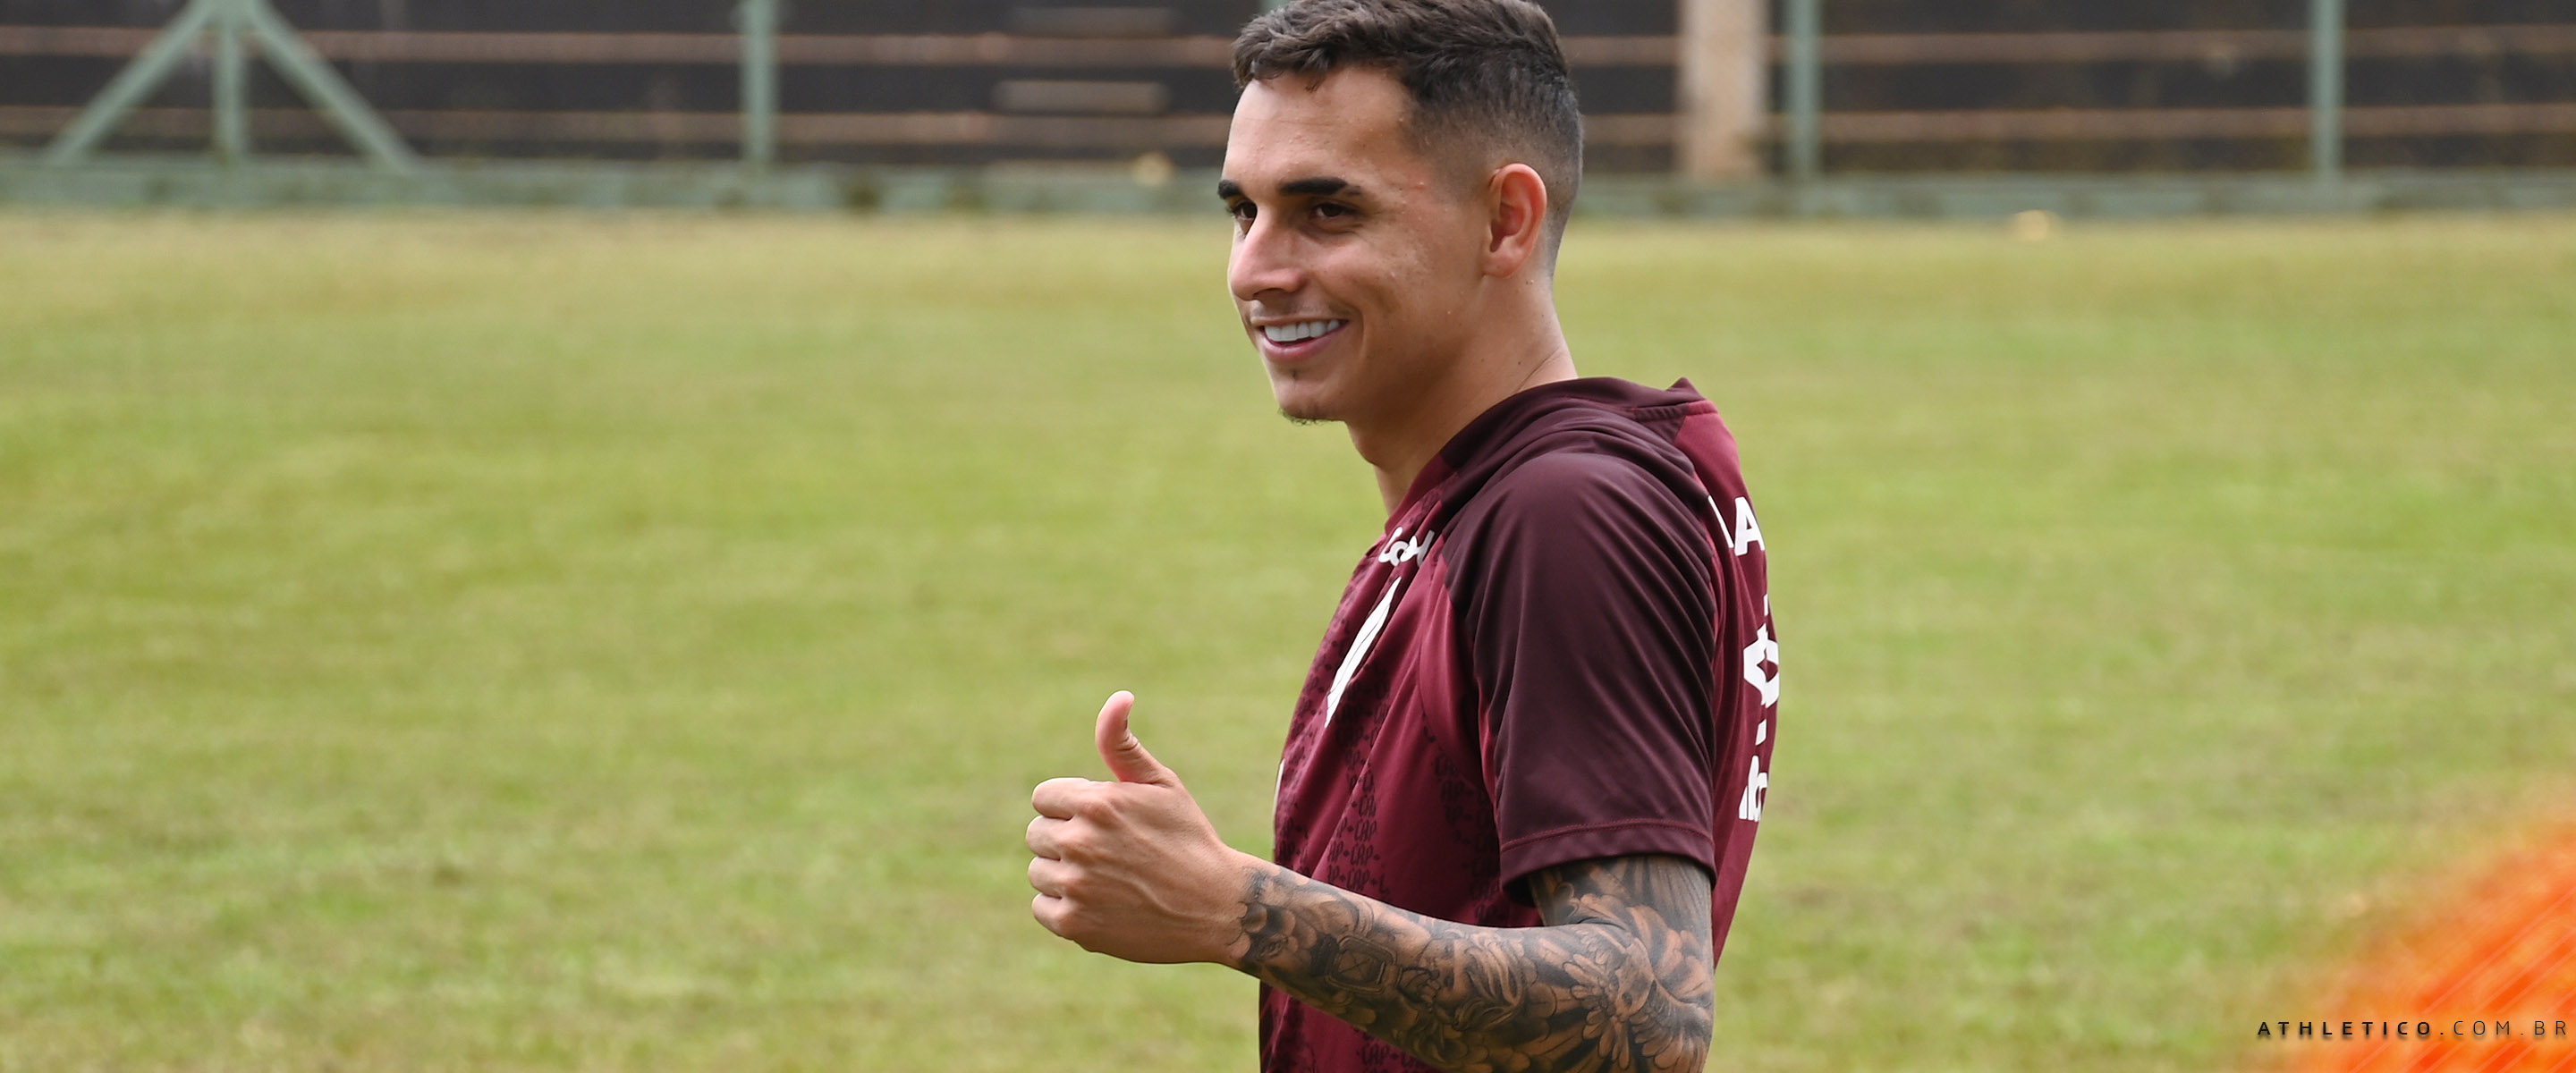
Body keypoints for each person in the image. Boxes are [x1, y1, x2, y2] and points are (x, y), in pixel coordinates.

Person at [1022, 2, 1779, 1070]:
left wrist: (1236, 908)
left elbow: (1651, 1014)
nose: (1255, 269)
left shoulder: (1563, 512)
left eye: (1327, 211)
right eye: (1243, 211)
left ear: (1505, 221)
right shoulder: (1489, 494)